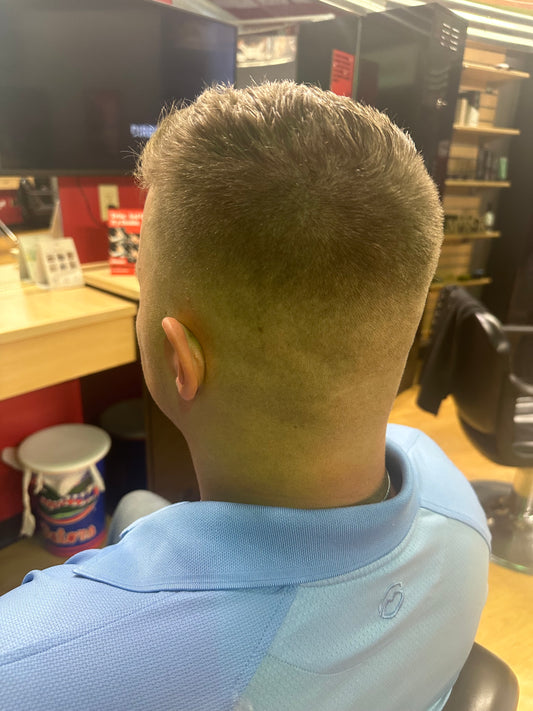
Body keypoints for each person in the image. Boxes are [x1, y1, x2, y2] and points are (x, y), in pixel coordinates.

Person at [0, 82, 489, 711]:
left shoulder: (29, 669)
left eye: (145, 291)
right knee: (139, 509)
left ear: (181, 361)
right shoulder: (459, 505)